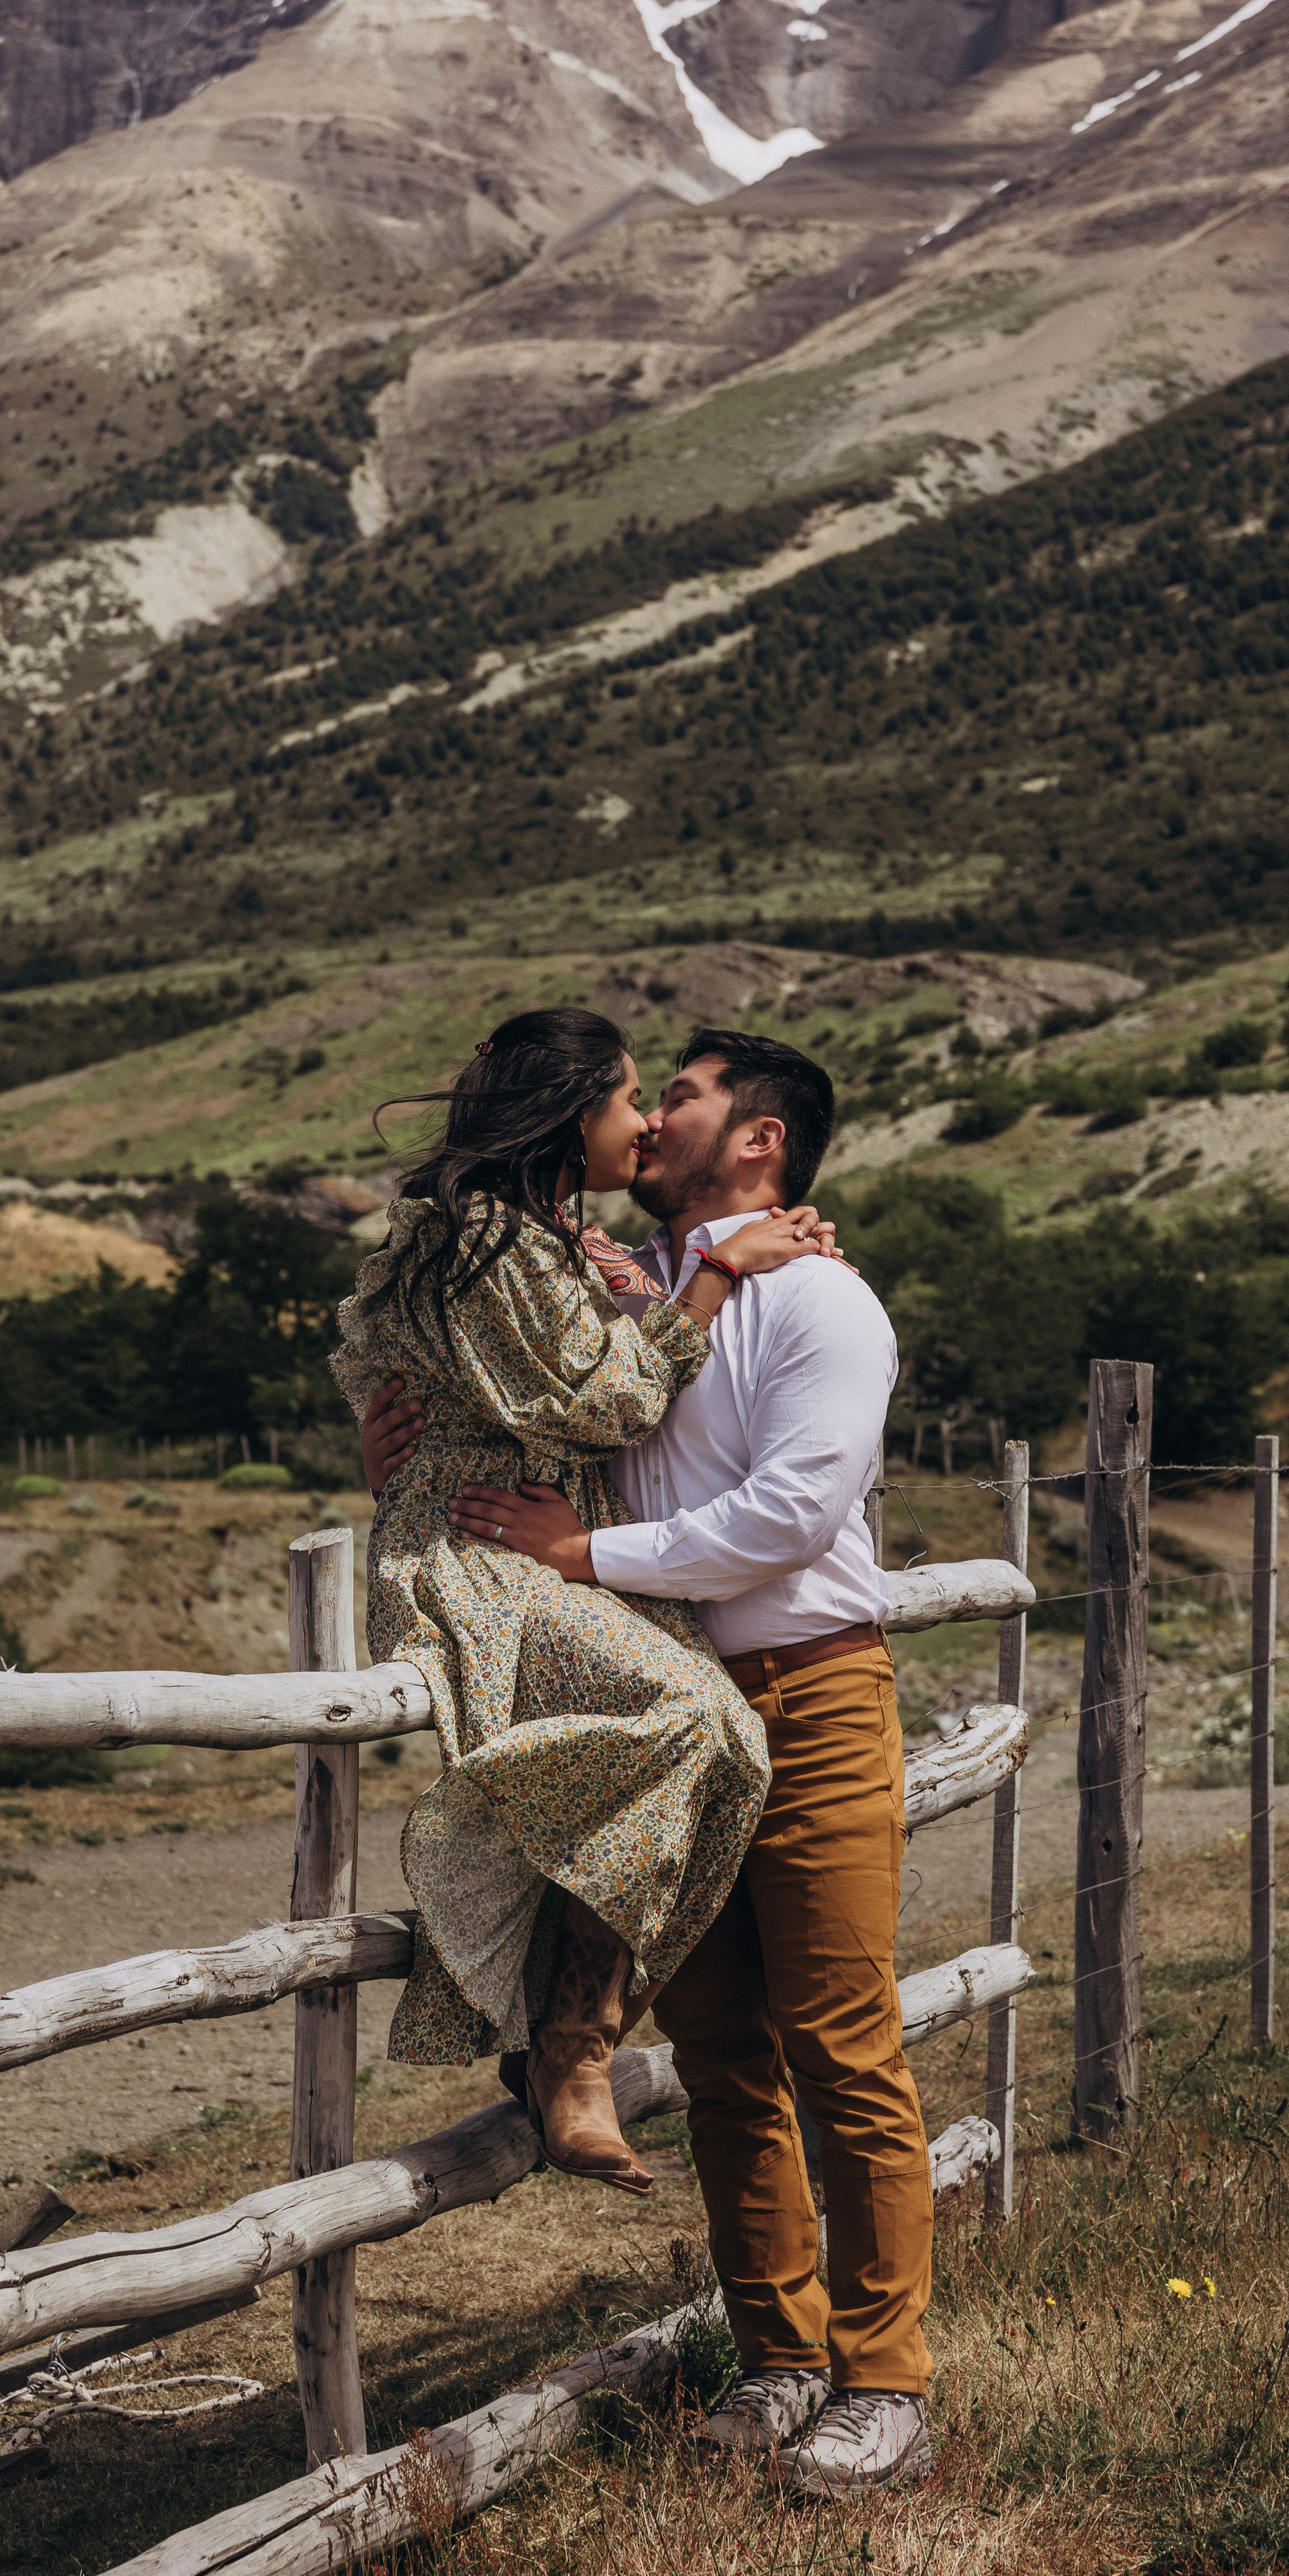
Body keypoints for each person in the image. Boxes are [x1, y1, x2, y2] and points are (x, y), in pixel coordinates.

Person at [366, 1029, 936, 2501]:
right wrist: (412, 1444)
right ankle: (780, 2359)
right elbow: (538, 1401)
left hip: (805, 1694)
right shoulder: (630, 1287)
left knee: (842, 2047)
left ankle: (884, 2383)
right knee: (722, 2056)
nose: (649, 1116)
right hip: (668, 1710)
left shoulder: (819, 1300)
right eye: (643, 1092)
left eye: (675, 1095)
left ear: (756, 1140)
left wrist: (586, 1556)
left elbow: (793, 1513)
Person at [329, 1008, 836, 2199]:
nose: (647, 1123)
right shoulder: (481, 1234)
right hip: (479, 1542)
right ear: (570, 1115)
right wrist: (719, 1276)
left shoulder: (545, 1238)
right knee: (699, 1721)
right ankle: (571, 2045)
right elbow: (611, 1401)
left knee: (723, 1749)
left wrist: (718, 1263)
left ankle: (573, 2033)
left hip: (536, 1534)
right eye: (628, 1100)